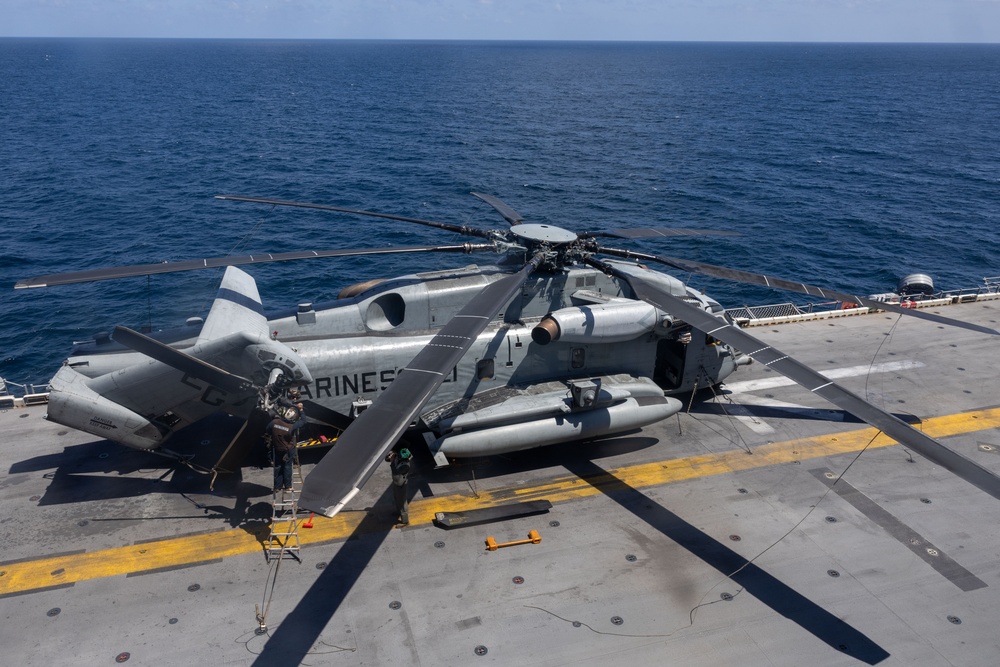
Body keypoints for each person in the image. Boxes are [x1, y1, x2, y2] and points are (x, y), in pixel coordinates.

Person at [267, 407, 299, 493]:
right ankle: (288, 486)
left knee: (277, 467)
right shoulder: (290, 427)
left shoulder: (274, 422)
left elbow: (268, 430)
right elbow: (292, 440)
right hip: (287, 450)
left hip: (277, 448)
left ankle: (277, 487)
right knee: (287, 467)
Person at [385, 447, 412, 525]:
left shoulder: (405, 465)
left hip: (401, 485)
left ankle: (405, 521)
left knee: (402, 502)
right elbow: (387, 459)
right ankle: (398, 512)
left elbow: (395, 472)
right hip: (396, 482)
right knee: (397, 498)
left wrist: (392, 461)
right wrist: (390, 455)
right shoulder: (398, 457)